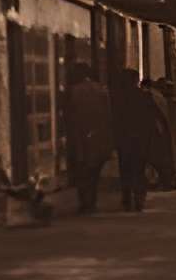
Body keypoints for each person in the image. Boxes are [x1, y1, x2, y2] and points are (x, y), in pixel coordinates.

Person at [108, 68, 167, 213]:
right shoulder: (144, 96)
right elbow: (155, 117)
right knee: (139, 169)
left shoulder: (117, 98)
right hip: (141, 138)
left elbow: (113, 119)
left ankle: (127, 199)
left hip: (124, 138)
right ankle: (139, 198)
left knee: (126, 169)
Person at [63, 63, 114, 214]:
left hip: (80, 136)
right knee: (94, 171)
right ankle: (91, 200)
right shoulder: (101, 90)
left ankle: (85, 202)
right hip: (99, 135)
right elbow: (109, 115)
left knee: (82, 171)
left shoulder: (72, 91)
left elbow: (68, 116)